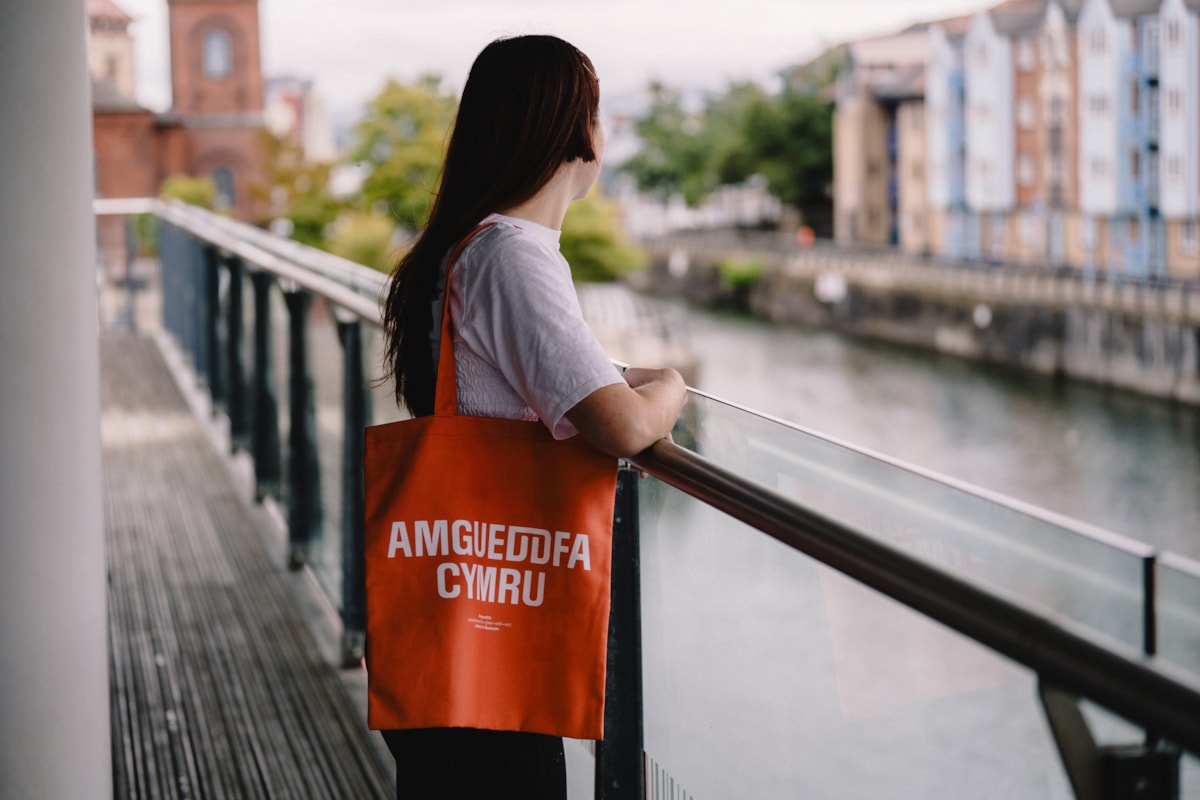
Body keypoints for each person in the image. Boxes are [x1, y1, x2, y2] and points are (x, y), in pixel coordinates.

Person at [379, 35, 688, 799]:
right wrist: (673, 384)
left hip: (462, 620)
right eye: (599, 111)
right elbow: (620, 427)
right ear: (575, 129)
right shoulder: (513, 257)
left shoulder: (469, 248)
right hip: (494, 634)